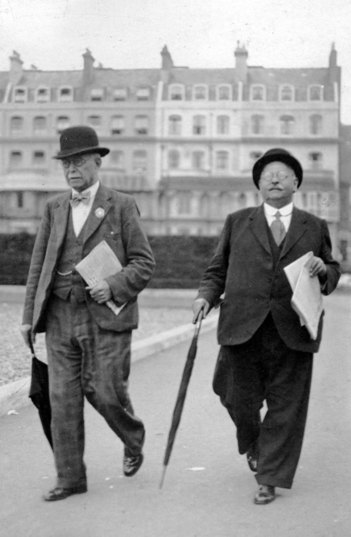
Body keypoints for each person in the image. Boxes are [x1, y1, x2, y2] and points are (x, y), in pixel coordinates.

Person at [192, 148, 340, 505]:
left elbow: (333, 271)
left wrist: (324, 271)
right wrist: (205, 297)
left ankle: (269, 477)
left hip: (293, 328)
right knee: (234, 396)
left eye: (283, 174)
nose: (274, 179)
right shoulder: (237, 221)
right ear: (258, 183)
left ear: (296, 183)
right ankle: (255, 441)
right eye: (266, 174)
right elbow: (217, 271)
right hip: (243, 327)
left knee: (286, 406)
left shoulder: (314, 226)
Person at [20, 125, 155, 501]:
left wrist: (112, 285)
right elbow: (39, 267)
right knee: (62, 399)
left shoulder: (122, 205)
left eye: (79, 161)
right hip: (60, 315)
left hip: (107, 317)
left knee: (107, 392)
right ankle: (70, 478)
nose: (72, 169)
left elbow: (145, 263)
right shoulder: (54, 207)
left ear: (98, 162)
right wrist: (29, 317)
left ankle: (133, 437)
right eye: (67, 163)